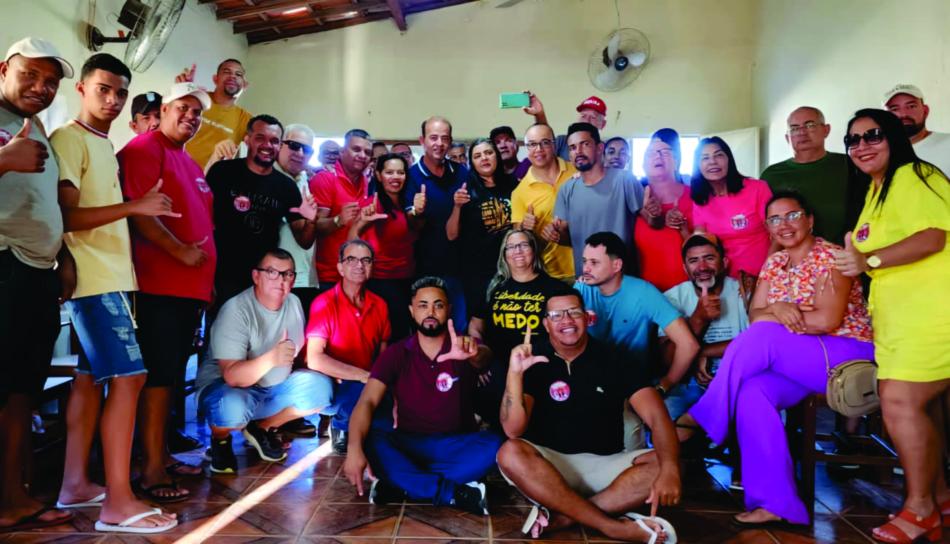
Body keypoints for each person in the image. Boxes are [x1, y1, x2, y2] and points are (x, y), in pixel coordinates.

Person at [677, 191, 874, 527]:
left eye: (792, 215)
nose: (784, 224)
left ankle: (704, 415)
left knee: (764, 337)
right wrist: (780, 309)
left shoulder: (832, 257)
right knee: (753, 392)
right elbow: (756, 316)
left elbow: (826, 320)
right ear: (767, 227)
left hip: (845, 355)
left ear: (809, 220)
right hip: (797, 357)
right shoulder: (775, 263)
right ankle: (776, 503)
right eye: (774, 219)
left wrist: (775, 316)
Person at [51, 54, 182, 533]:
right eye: (103, 89)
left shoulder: (102, 143)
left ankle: (75, 484)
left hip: (111, 277)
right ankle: (118, 503)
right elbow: (65, 217)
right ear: (82, 89)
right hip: (94, 279)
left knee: (89, 381)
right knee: (130, 378)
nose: (112, 99)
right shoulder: (68, 138)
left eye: (120, 92)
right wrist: (135, 206)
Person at [835, 108, 950, 543]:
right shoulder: (876, 190)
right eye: (853, 140)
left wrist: (869, 260)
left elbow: (933, 237)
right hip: (900, 318)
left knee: (899, 401)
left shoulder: (916, 175)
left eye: (873, 135)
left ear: (894, 138)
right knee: (923, 406)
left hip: (931, 312)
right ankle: (939, 497)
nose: (862, 145)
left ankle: (920, 509)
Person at [496, 288, 681, 543]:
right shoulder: (533, 359)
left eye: (574, 312)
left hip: (607, 465)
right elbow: (513, 430)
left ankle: (565, 516)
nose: (567, 320)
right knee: (510, 452)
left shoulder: (617, 358)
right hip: (549, 466)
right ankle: (612, 527)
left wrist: (670, 468)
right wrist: (515, 373)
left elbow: (658, 418)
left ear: (587, 318)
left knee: (668, 462)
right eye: (557, 315)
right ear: (546, 324)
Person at [118, 81, 217, 505]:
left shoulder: (188, 160)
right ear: (163, 110)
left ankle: (162, 453)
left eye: (197, 113)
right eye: (183, 108)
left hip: (188, 290)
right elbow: (138, 212)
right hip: (159, 285)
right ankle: (151, 468)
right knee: (158, 377)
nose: (191, 117)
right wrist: (179, 250)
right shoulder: (145, 148)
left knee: (171, 376)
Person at [342, 276, 501, 515]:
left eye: (438, 305)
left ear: (449, 310)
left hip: (456, 445)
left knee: (496, 445)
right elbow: (367, 402)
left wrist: (474, 353)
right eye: (423, 305)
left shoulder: (463, 344)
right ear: (412, 311)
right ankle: (453, 493)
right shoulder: (396, 353)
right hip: (410, 445)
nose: (431, 312)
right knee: (371, 441)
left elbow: (484, 358)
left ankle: (404, 485)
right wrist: (353, 448)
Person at [0, 36, 76, 532]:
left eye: (50, 81)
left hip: (36, 273)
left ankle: (13, 496)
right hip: (4, 265)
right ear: (3, 69)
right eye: (29, 74)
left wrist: (63, 255)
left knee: (21, 391)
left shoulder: (37, 128)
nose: (41, 87)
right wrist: (5, 159)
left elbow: (46, 202)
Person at [198, 249, 331, 473]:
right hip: (231, 390)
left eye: (287, 274)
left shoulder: (294, 302)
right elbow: (232, 376)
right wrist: (271, 358)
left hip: (273, 388)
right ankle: (220, 440)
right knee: (232, 408)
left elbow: (298, 354)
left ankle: (262, 427)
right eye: (272, 272)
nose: (280, 280)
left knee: (321, 389)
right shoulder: (236, 310)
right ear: (256, 276)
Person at [575, 232, 699, 450]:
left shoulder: (643, 292)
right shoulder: (581, 289)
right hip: (591, 382)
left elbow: (689, 344)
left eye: (594, 262)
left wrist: (665, 385)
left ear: (617, 265)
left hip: (635, 383)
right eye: (585, 261)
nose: (586, 268)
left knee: (671, 433)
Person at [207, 114, 317, 311]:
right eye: (260, 138)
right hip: (221, 274)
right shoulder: (223, 171)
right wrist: (206, 276)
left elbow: (304, 241)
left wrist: (311, 221)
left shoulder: (286, 186)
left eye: (274, 141)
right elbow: (204, 220)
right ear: (247, 140)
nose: (267, 145)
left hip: (264, 278)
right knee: (220, 328)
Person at [468, 230, 565, 427]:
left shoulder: (556, 289)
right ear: (504, 255)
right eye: (511, 247)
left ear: (534, 250)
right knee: (498, 424)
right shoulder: (492, 288)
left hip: (540, 367)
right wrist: (480, 360)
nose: (517, 251)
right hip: (498, 369)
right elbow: (476, 327)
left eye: (523, 245)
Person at [307, 240, 391, 455]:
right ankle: (341, 424)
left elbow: (383, 354)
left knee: (387, 424)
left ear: (372, 266)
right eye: (351, 259)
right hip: (332, 382)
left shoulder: (380, 305)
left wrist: (379, 380)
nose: (359, 265)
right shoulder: (324, 303)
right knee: (360, 391)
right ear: (340, 267)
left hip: (366, 380)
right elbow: (314, 358)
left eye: (366, 260)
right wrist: (363, 376)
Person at [660, 232, 748, 420]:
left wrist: (699, 352)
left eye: (709, 258)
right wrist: (699, 319)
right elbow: (667, 360)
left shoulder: (743, 292)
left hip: (737, 380)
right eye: (694, 261)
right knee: (663, 415)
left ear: (724, 262)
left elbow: (755, 344)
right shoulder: (672, 298)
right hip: (688, 383)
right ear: (685, 268)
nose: (702, 267)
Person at [547, 122, 644, 275]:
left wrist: (654, 214)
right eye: (572, 148)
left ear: (600, 148)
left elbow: (649, 224)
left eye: (585, 144)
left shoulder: (625, 180)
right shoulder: (567, 189)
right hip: (586, 280)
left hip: (623, 279)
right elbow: (569, 238)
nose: (578, 151)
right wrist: (556, 234)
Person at [350, 153, 425, 340]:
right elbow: (350, 242)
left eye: (400, 172)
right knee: (391, 336)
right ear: (378, 175)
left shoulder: (408, 202)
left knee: (408, 334)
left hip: (408, 277)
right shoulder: (372, 203)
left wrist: (419, 212)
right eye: (389, 172)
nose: (395, 177)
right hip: (381, 281)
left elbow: (417, 231)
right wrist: (362, 222)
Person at [406, 116, 469, 329]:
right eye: (433, 138)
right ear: (422, 141)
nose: (439, 143)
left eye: (445, 138)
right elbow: (411, 226)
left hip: (460, 268)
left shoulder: (461, 172)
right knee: (429, 330)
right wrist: (417, 212)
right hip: (424, 269)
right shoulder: (411, 176)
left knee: (459, 330)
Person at [760, 106, 854, 243]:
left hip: (850, 250)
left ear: (826, 130)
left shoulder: (850, 164)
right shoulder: (772, 175)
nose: (802, 132)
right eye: (794, 128)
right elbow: (769, 226)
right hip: (794, 253)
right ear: (787, 137)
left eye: (810, 125)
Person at [446, 138, 517, 314]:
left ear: (497, 156)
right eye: (477, 156)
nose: (484, 158)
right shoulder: (464, 188)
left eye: (488, 153)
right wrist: (457, 206)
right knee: (480, 319)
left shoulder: (513, 184)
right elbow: (451, 235)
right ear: (472, 162)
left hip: (511, 265)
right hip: (477, 270)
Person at [690, 136, 772, 281]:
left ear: (729, 159)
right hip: (724, 281)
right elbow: (700, 242)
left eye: (718, 155)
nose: (712, 161)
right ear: (698, 166)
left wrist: (769, 270)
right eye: (705, 158)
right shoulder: (700, 199)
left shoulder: (758, 188)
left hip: (765, 276)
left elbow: (777, 234)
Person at [510, 123, 577, 282]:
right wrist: (524, 227)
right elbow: (517, 236)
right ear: (526, 148)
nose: (538, 149)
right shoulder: (519, 192)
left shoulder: (576, 172)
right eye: (532, 144)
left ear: (554, 145)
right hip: (551, 274)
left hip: (589, 266)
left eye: (545, 142)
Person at [310, 129, 373, 290]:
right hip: (330, 276)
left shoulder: (367, 182)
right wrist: (338, 220)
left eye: (367, 152)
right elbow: (314, 227)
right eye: (356, 149)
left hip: (359, 274)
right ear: (342, 152)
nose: (362, 155)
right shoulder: (325, 178)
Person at [636, 136, 693, 292]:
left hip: (691, 292)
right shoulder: (634, 199)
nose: (658, 156)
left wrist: (683, 229)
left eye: (664, 152)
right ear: (643, 165)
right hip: (647, 294)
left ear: (676, 162)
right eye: (651, 153)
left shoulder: (696, 196)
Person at [175, 59, 252, 171]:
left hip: (207, 179)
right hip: (175, 168)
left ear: (244, 84)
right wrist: (181, 93)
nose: (233, 76)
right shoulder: (197, 99)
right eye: (227, 72)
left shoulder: (246, 119)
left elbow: (257, 147)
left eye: (238, 74)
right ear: (215, 79)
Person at [276, 123, 319, 313]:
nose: (300, 153)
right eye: (294, 146)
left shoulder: (303, 178)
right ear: (280, 145)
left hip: (304, 277)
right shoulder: (270, 178)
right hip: (276, 278)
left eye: (307, 150)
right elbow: (302, 237)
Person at [884, 84, 950, 175]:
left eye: (911, 106)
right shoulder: (879, 155)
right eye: (894, 109)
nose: (903, 114)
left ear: (925, 111)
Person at [524, 93, 608, 162]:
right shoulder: (562, 142)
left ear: (603, 124)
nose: (586, 120)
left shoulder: (608, 150)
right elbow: (545, 142)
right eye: (583, 116)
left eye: (593, 117)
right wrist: (540, 114)